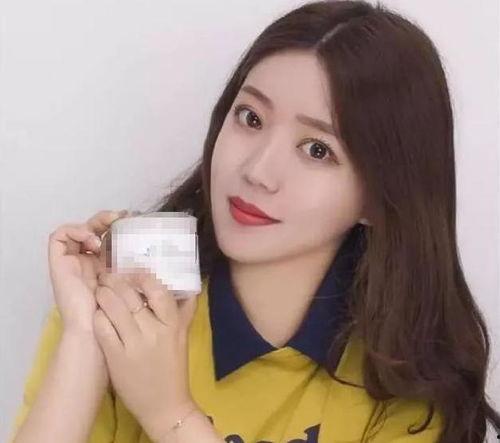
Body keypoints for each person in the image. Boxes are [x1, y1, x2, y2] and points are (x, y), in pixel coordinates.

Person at [8, 1, 500, 442]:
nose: (258, 171)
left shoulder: (406, 376)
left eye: (317, 150)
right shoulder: (126, 300)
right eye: (251, 118)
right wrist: (84, 339)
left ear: (379, 196)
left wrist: (170, 414)